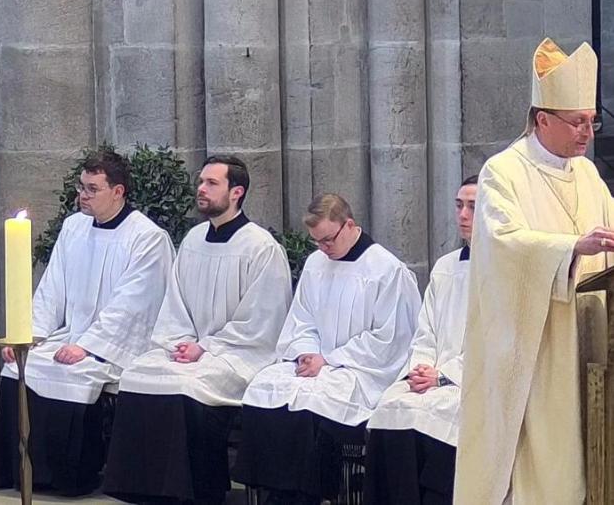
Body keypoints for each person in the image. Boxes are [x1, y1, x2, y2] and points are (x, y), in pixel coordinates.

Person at [454, 37, 614, 504]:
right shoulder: (503, 172)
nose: (587, 133)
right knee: (549, 462)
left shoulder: (586, 173)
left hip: (591, 336)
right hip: (538, 348)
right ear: (542, 119)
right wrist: (570, 249)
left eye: (592, 122)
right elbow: (503, 245)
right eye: (577, 122)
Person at [103, 155, 293, 505]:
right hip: (189, 347)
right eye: (201, 182)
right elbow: (175, 304)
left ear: (236, 192)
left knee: (189, 385)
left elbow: (263, 320)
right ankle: (144, 491)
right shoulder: (192, 239)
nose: (201, 189)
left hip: (238, 354)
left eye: (211, 183)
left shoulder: (261, 247)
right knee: (137, 374)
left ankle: (196, 492)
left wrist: (206, 347)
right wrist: (181, 342)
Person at [0, 149, 175, 496]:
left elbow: (133, 305)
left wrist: (89, 346)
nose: (82, 196)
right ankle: (25, 475)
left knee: (78, 371)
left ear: (118, 192)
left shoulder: (147, 238)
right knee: (19, 368)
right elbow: (52, 287)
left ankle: (71, 478)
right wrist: (29, 336)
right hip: (71, 336)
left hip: (114, 347)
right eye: (81, 187)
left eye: (92, 189)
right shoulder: (74, 227)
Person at [232, 193, 422, 505]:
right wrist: (306, 352)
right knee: (264, 390)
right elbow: (302, 318)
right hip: (317, 363)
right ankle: (273, 493)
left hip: (361, 371)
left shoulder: (387, 270)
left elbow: (391, 339)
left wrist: (330, 359)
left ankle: (307, 497)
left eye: (328, 240)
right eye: (316, 241)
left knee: (311, 406)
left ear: (349, 225)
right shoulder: (316, 263)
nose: (323, 248)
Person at [363, 176, 478, 505]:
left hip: (471, 381)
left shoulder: (504, 269)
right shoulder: (444, 267)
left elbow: (498, 343)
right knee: (392, 406)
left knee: (443, 414)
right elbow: (425, 330)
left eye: (473, 206)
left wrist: (444, 375)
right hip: (432, 375)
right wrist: (421, 368)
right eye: (459, 206)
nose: (463, 215)